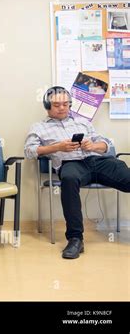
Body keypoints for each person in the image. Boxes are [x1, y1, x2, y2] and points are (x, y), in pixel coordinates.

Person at [24, 86, 130, 259]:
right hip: (70, 164)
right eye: (57, 105)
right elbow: (29, 151)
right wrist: (57, 147)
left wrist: (93, 146)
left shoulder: (82, 122)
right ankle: (75, 239)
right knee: (69, 178)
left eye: (66, 104)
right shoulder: (39, 127)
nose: (62, 108)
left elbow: (108, 145)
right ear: (47, 105)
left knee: (123, 172)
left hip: (97, 161)